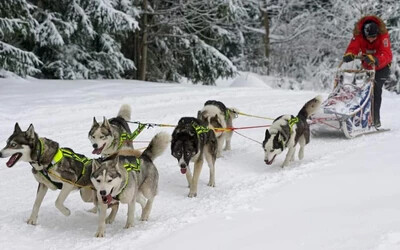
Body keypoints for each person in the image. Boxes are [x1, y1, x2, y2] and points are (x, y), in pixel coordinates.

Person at [342, 15, 392, 128]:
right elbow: (353, 46)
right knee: (361, 90)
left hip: (382, 66)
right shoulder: (359, 35)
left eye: (374, 37)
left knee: (375, 89)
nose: (371, 40)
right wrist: (350, 54)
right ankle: (358, 116)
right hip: (368, 65)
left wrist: (376, 59)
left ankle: (375, 119)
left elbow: (387, 54)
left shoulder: (383, 36)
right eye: (369, 37)